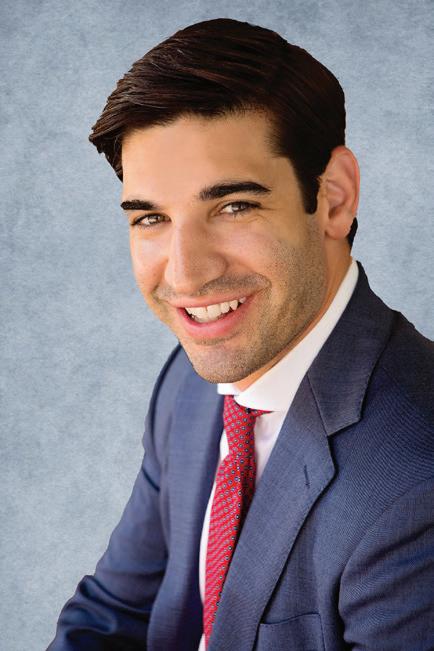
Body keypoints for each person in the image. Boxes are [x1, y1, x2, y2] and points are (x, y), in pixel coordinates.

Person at [48, 17, 434, 651]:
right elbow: (113, 614)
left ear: (334, 199)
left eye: (233, 207)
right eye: (151, 218)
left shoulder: (416, 486)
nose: (185, 274)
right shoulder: (190, 382)